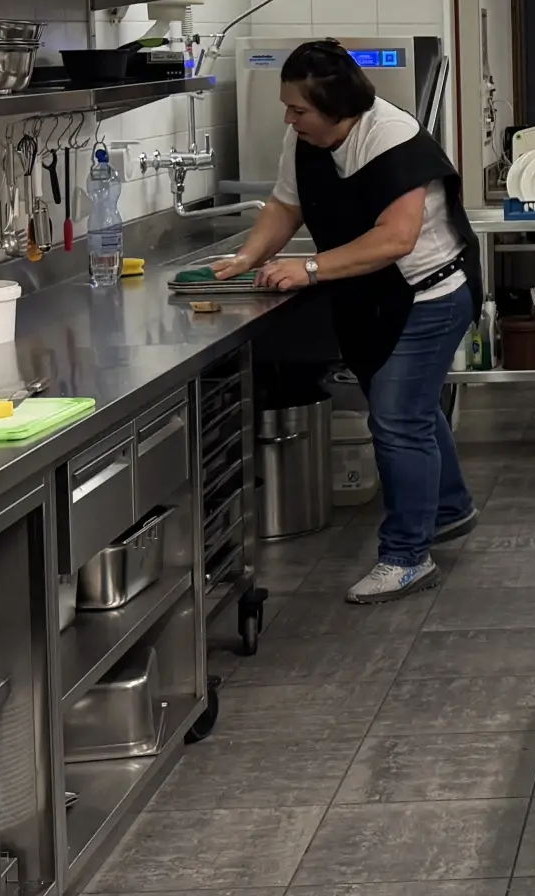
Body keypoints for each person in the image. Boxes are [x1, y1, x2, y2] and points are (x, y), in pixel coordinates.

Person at [205, 41, 480, 603]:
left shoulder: (392, 139)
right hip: (377, 297)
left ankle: (407, 556)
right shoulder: (307, 140)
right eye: (287, 107)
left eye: (298, 109)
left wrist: (309, 267)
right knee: (413, 408)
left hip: (430, 295)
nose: (288, 118)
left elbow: (395, 238)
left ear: (336, 107)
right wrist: (247, 258)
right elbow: (285, 206)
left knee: (398, 420)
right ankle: (448, 508)